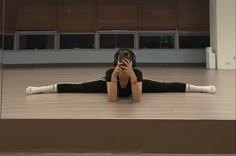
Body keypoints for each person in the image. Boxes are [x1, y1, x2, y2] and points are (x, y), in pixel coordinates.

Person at [25, 48, 216, 101]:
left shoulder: (137, 72)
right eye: (121, 60)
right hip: (111, 84)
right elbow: (113, 100)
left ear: (132, 62)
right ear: (115, 62)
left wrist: (133, 75)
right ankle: (42, 89)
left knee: (165, 86)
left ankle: (201, 89)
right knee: (79, 86)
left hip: (135, 82)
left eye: (127, 60)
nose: (123, 62)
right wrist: (115, 77)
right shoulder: (110, 72)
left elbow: (137, 99)